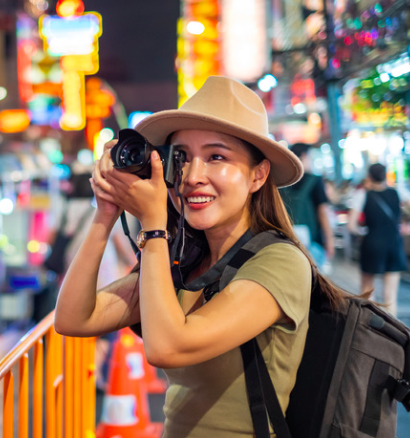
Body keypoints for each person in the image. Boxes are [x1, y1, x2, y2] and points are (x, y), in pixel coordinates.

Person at [53, 76, 351, 437]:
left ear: (258, 175)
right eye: (181, 158)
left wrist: (153, 225)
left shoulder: (280, 262)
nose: (193, 176)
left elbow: (168, 347)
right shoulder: (184, 260)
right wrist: (105, 214)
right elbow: (73, 319)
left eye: (216, 157)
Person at [348, 163, 407, 316]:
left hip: (372, 243)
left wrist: (362, 233)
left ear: (369, 176)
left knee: (367, 292)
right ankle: (393, 335)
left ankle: (370, 332)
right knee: (390, 295)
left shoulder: (362, 195)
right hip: (394, 243)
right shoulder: (397, 192)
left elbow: (351, 225)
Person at [280, 142, 335, 272]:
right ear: (304, 156)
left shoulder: (282, 181)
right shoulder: (315, 180)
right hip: (313, 240)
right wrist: (330, 239)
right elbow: (322, 211)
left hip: (286, 240)